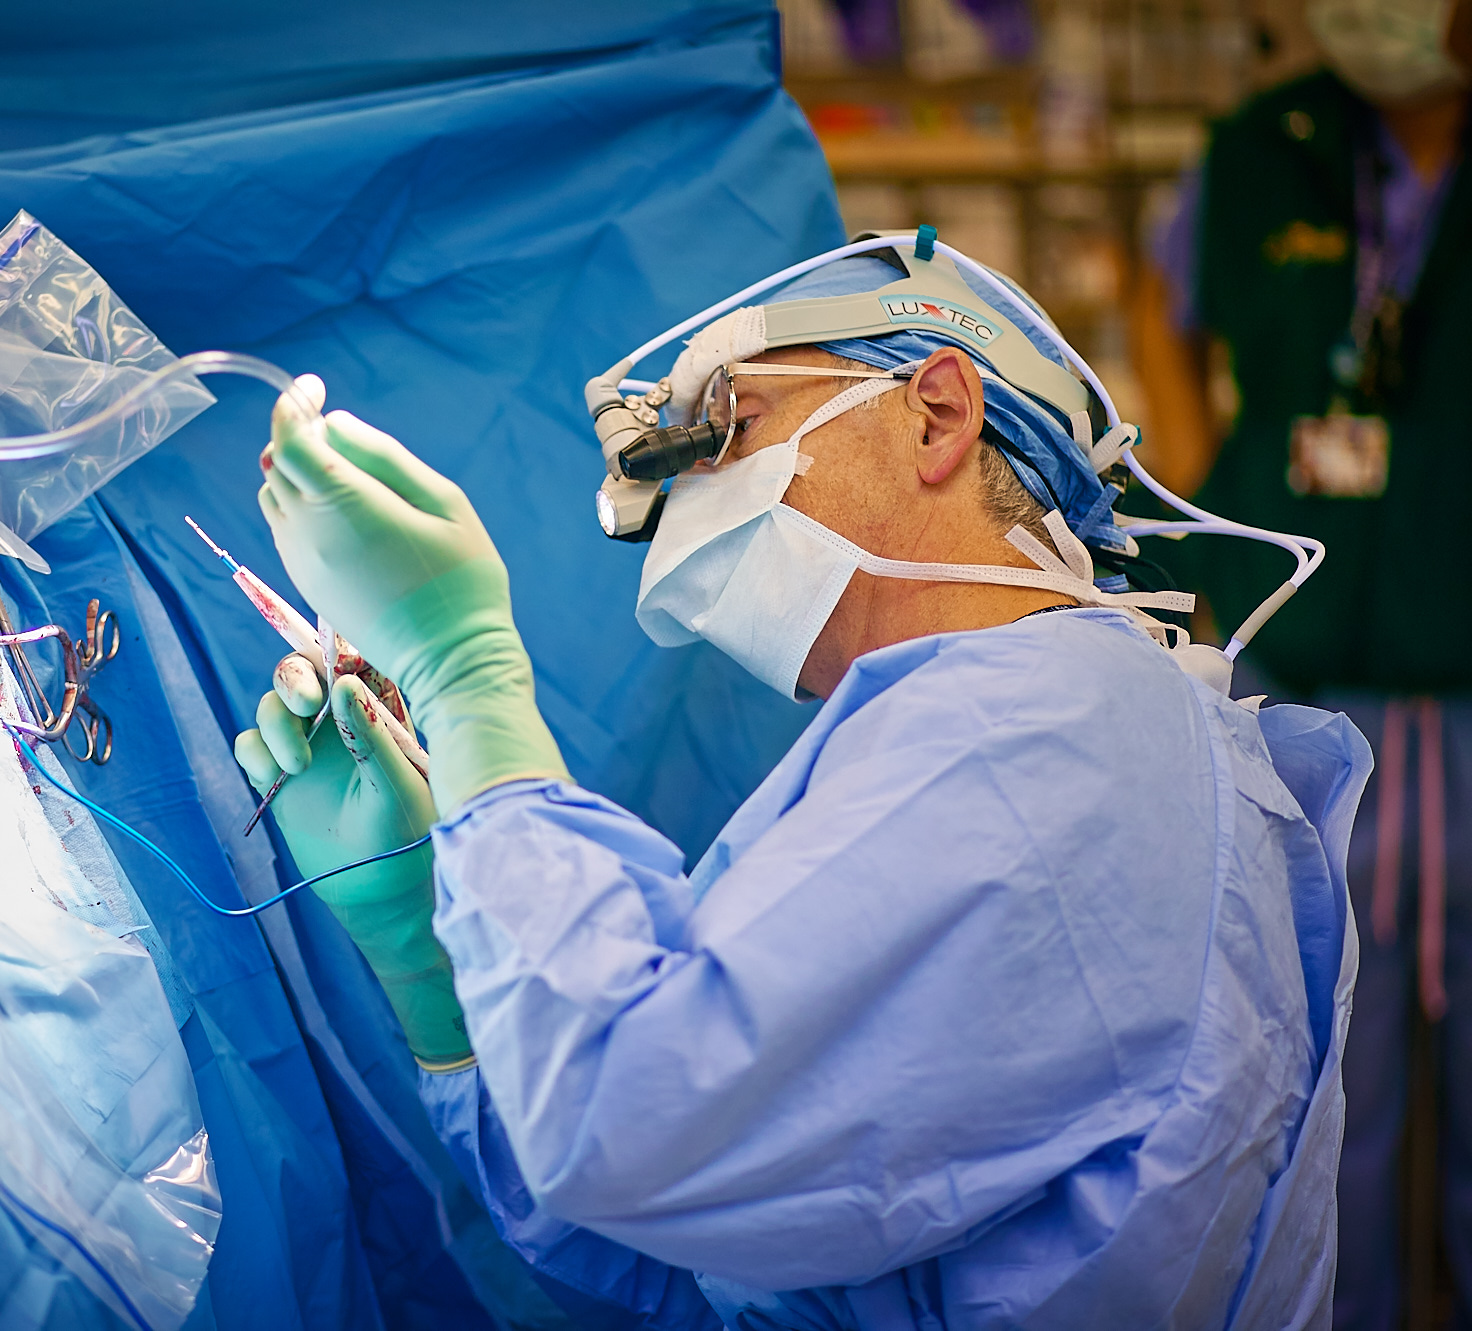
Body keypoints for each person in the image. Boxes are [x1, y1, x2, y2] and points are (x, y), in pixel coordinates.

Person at [235, 241, 1368, 1328]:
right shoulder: (1045, 724)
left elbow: (635, 1121)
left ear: (934, 414)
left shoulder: (1040, 733)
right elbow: (714, 1236)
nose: (678, 504)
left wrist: (466, 673)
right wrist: (428, 957)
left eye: (719, 427)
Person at [1132, 0, 1472, 1323]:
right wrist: (1204, 481)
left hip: (1457, 650)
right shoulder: (1259, 148)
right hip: (1306, 668)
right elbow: (1167, 305)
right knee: (1313, 1058)